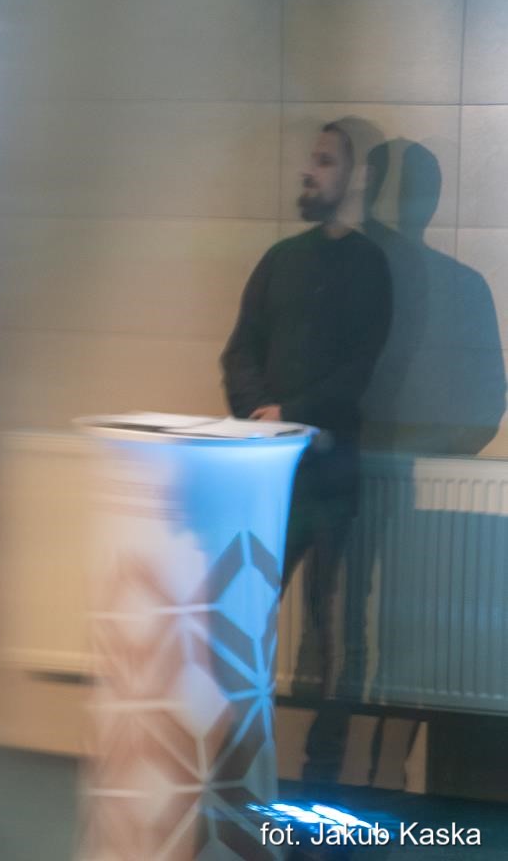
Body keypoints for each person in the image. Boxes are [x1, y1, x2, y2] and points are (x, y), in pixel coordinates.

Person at [220, 119, 392, 781]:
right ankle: (241, 760)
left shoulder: (371, 267)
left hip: (331, 479)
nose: (308, 171)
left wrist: (291, 414)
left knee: (333, 626)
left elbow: (358, 371)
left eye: (324, 161)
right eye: (310, 161)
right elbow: (239, 352)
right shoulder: (280, 260)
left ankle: (323, 776)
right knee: (246, 612)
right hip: (269, 473)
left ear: (357, 177)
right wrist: (263, 418)